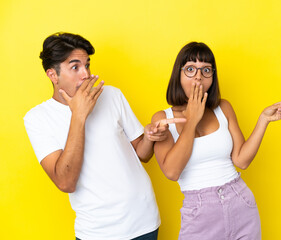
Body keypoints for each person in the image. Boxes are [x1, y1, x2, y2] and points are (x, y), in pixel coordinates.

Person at [24, 32, 184, 240]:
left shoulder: (111, 95)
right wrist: (79, 116)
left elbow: (142, 155)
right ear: (52, 75)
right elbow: (65, 183)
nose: (86, 74)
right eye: (75, 67)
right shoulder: (37, 118)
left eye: (87, 65)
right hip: (97, 231)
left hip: (143, 220)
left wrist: (149, 137)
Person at [151, 42, 281, 240]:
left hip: (240, 202)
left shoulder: (223, 108)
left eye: (206, 70)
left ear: (212, 77)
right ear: (178, 74)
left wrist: (263, 119)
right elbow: (171, 171)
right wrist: (192, 119)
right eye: (190, 69)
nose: (198, 76)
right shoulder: (163, 118)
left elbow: (241, 160)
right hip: (200, 214)